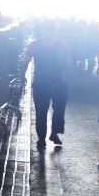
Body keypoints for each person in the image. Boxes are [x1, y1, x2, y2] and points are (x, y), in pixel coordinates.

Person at [21, 21, 71, 149]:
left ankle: (51, 134)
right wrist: (22, 76)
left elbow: (26, 61)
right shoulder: (61, 46)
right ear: (42, 31)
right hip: (47, 83)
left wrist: (22, 75)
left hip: (51, 82)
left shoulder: (35, 45)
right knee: (43, 111)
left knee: (53, 110)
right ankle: (43, 137)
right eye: (47, 29)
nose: (49, 32)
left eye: (51, 29)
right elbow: (26, 61)